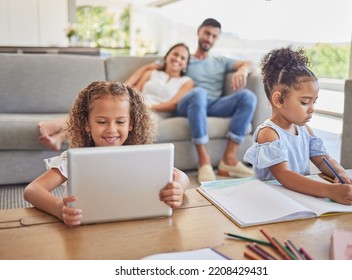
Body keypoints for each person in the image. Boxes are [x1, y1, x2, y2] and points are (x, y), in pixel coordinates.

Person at [24, 81, 190, 226]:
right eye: (102, 122)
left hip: (135, 225)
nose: (111, 130)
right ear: (87, 124)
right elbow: (33, 190)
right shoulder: (73, 160)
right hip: (85, 228)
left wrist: (178, 188)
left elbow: (181, 176)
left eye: (120, 121)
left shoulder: (139, 156)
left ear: (131, 124)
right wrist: (58, 208)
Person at [127, 18, 257, 183]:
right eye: (207, 33)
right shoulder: (185, 59)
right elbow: (154, 67)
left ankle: (229, 160)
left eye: (214, 36)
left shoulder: (221, 62)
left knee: (248, 97)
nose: (209, 39)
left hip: (214, 105)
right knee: (198, 92)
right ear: (199, 31)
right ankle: (204, 160)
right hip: (187, 103)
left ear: (217, 39)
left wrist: (243, 70)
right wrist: (128, 85)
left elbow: (250, 63)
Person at [243, 46, 352, 205]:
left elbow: (323, 159)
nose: (312, 108)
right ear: (278, 100)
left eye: (314, 101)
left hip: (300, 197)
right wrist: (330, 191)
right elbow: (285, 176)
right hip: (273, 202)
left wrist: (341, 174)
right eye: (305, 102)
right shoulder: (268, 133)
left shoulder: (304, 130)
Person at [37, 43, 194, 151]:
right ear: (168, 56)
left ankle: (59, 129)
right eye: (175, 54)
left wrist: (145, 108)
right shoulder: (151, 73)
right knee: (100, 115)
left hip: (157, 112)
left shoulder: (187, 82)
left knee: (109, 119)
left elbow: (173, 104)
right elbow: (132, 91)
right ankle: (59, 136)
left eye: (183, 58)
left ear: (186, 64)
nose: (177, 59)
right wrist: (136, 104)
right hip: (137, 106)